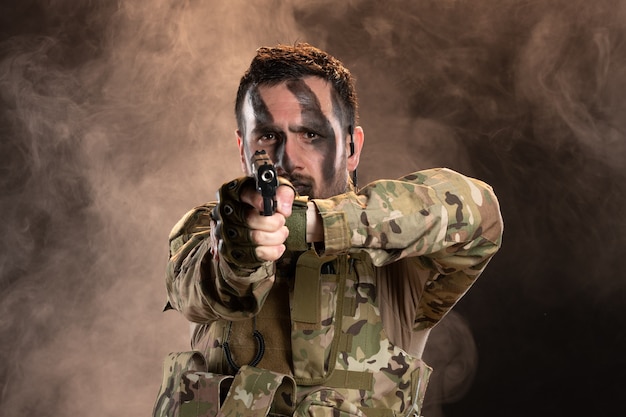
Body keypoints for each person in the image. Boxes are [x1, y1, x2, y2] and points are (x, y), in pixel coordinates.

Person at [154, 43, 503, 417]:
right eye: (268, 136)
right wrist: (241, 247)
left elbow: (477, 210)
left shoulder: (398, 253)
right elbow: (200, 285)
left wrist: (315, 224)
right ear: (243, 147)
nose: (288, 159)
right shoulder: (210, 230)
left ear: (352, 147)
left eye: (311, 135)